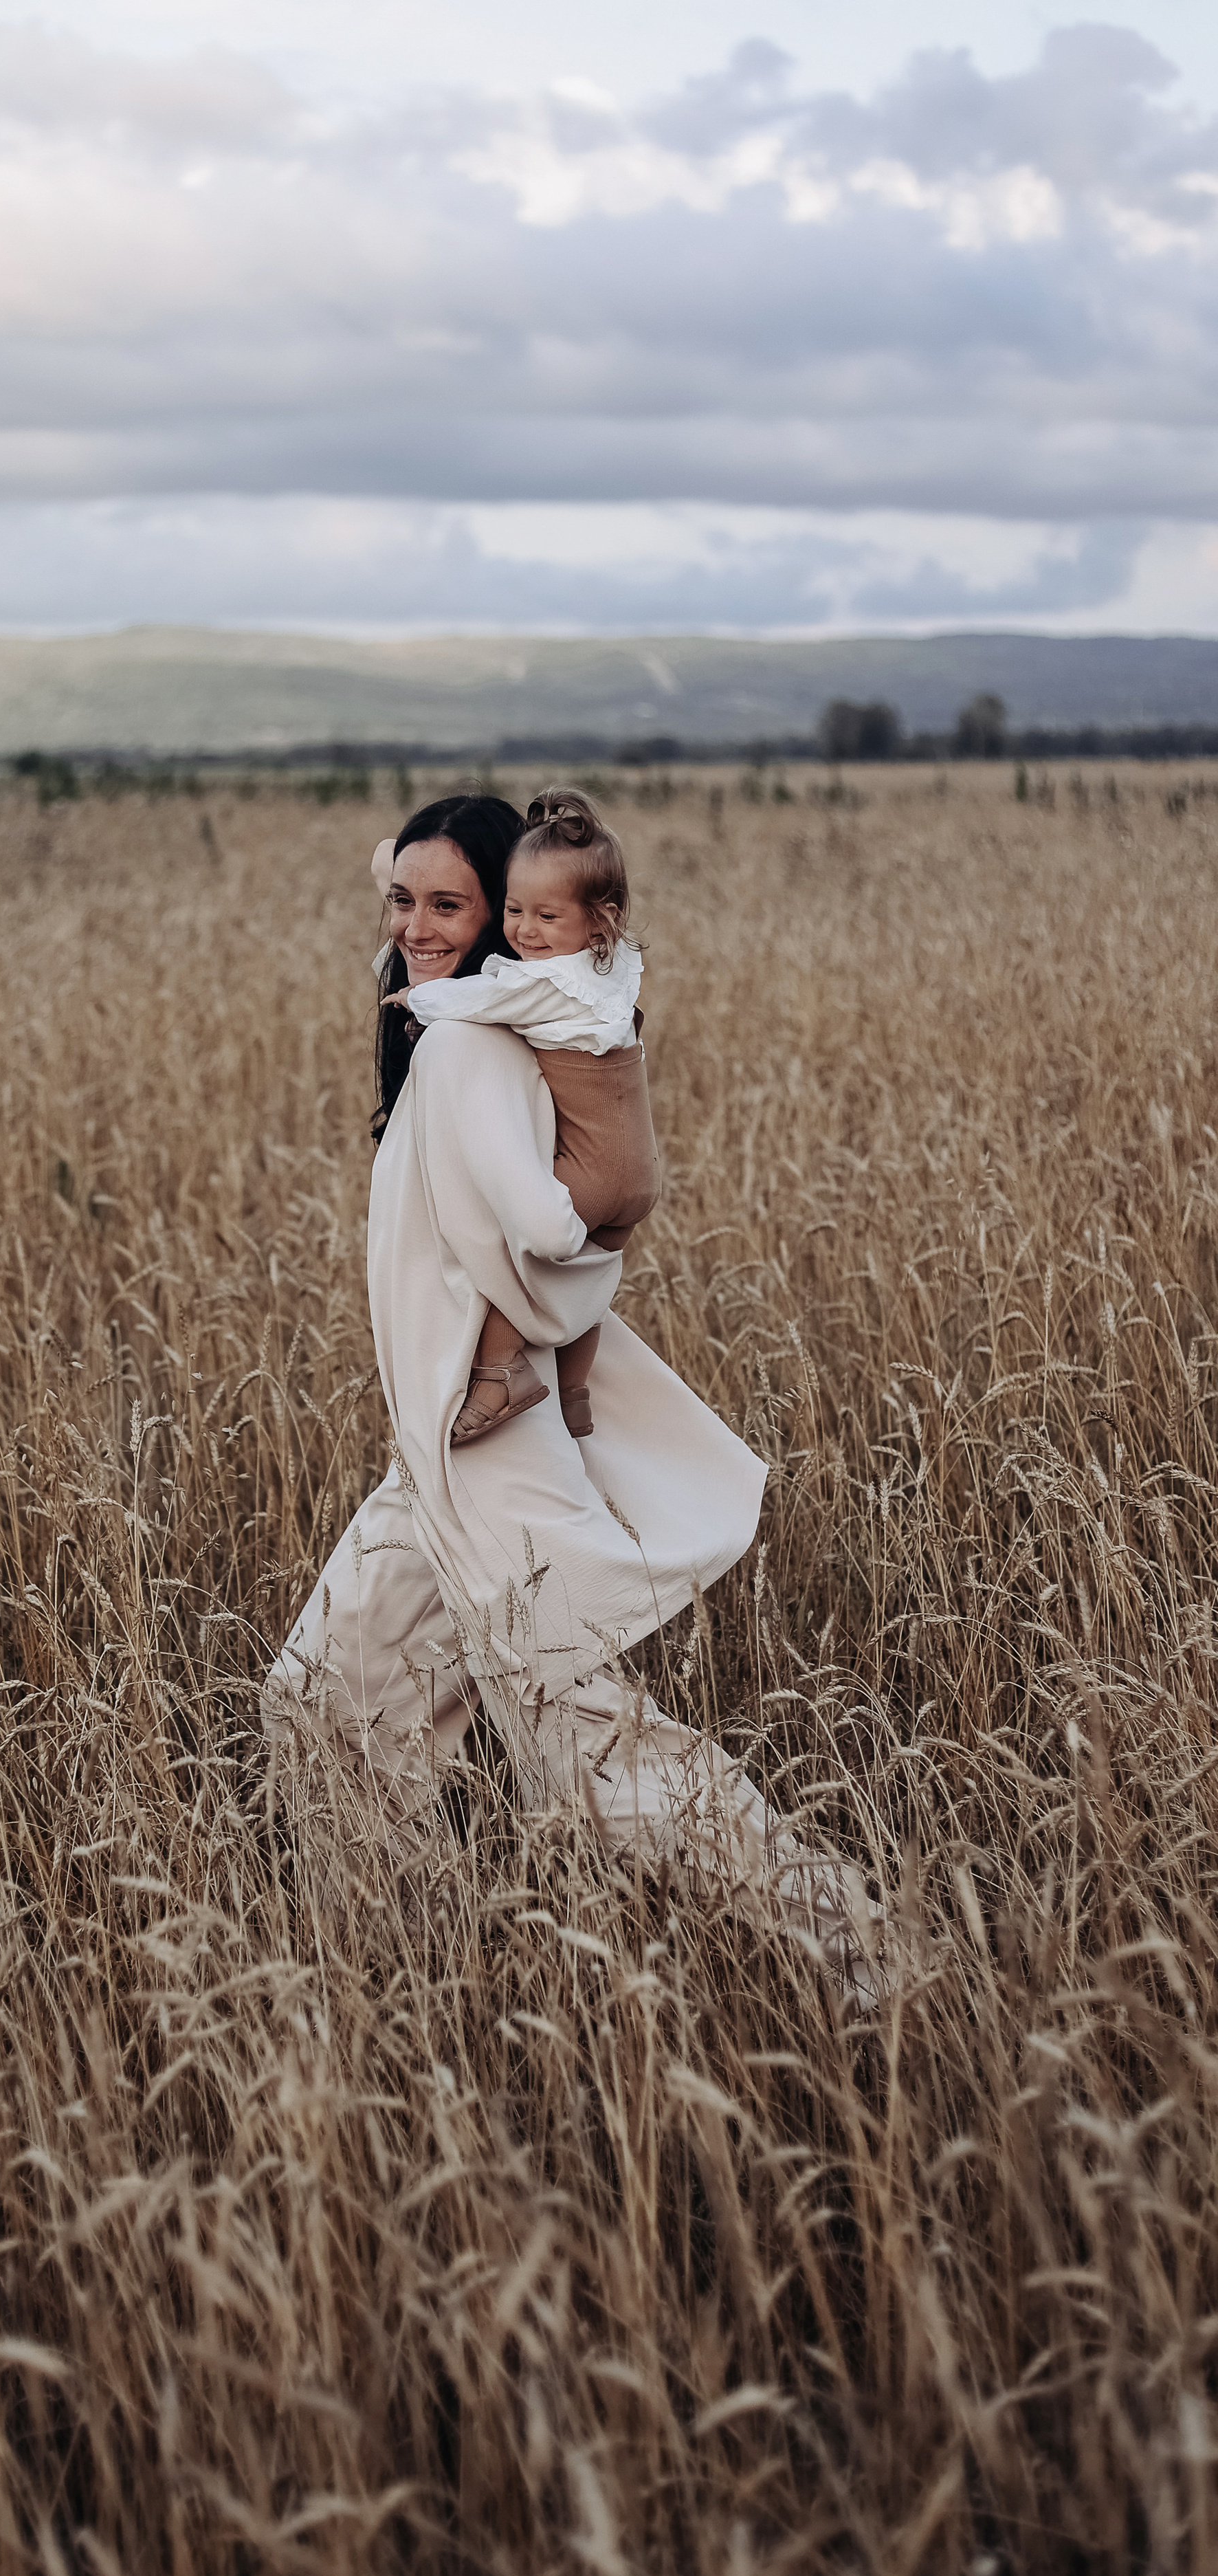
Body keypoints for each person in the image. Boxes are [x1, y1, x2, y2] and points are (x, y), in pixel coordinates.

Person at [265, 789, 882, 2001]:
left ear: (505, 916)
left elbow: (567, 1238)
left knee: (592, 1757)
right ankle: (408, 1976)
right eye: (403, 901)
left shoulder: (467, 1047)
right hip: (440, 1453)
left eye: (450, 904)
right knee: (329, 1700)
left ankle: (863, 1955)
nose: (416, 925)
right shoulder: (466, 1027)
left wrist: (509, 1357)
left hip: (491, 1454)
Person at [381, 787, 656, 1446]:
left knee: (542, 1263)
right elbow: (416, 900)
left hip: (579, 1187)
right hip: (633, 1170)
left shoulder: (501, 1016)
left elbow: (544, 1236)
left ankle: (505, 1374)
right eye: (400, 899)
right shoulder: (600, 965)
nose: (525, 931)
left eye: (448, 905)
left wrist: (421, 1000)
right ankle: (575, 1397)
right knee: (590, 1283)